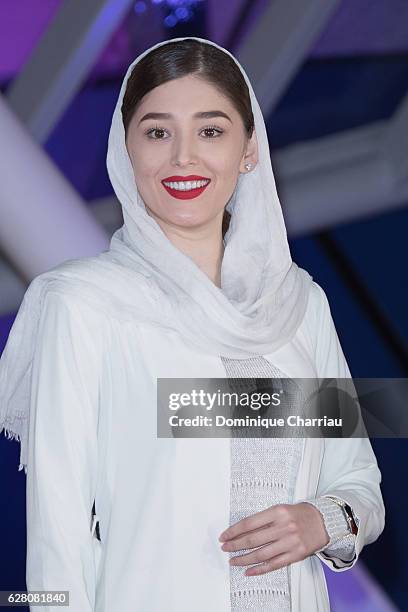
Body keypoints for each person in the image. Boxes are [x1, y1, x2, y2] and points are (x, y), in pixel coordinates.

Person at [0, 37, 385, 611]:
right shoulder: (81, 303)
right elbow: (57, 533)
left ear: (248, 149)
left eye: (211, 131)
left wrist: (324, 520)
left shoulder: (300, 303)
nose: (184, 157)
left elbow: (361, 487)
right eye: (157, 132)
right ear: (125, 149)